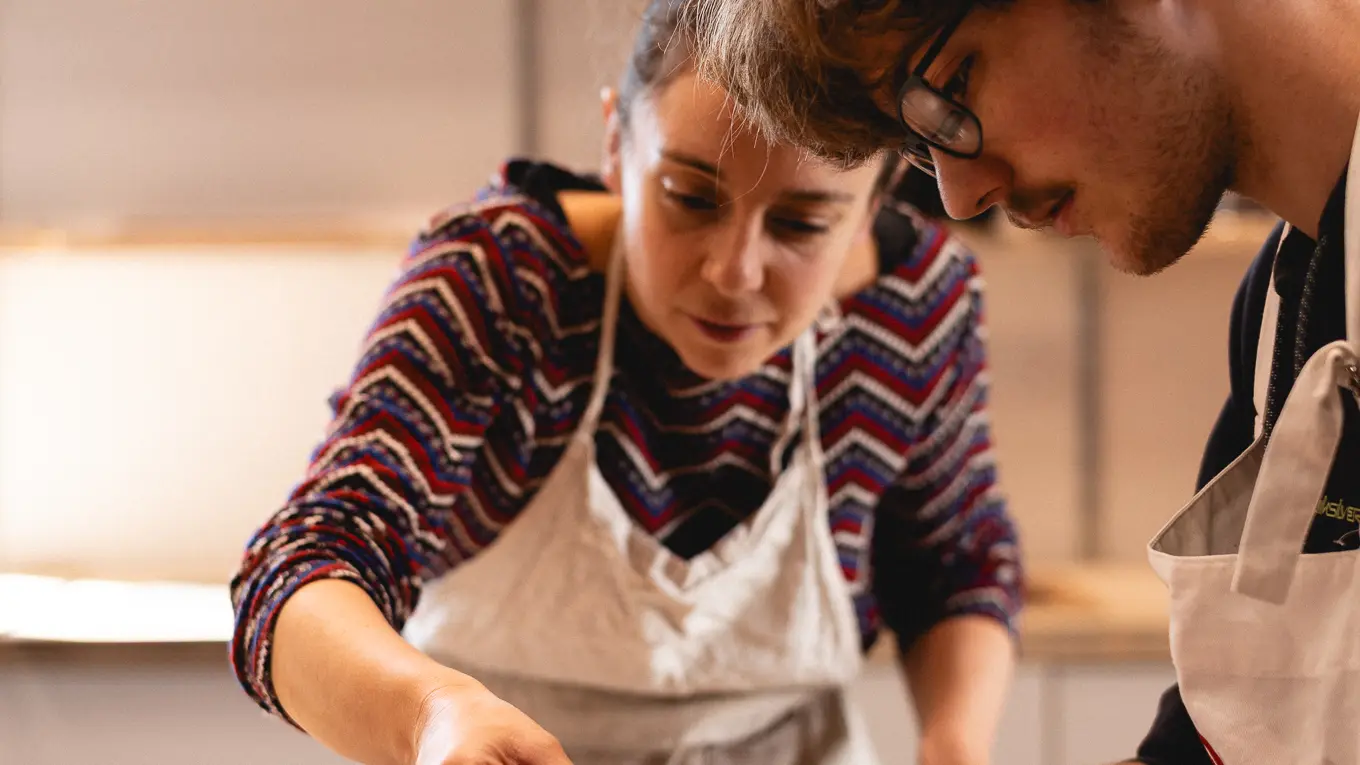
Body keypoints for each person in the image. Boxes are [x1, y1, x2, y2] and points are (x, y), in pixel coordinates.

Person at [227, 1, 1024, 763]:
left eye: (802, 223)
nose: (733, 271)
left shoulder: (909, 308)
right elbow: (302, 566)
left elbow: (955, 566)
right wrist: (430, 717)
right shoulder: (502, 284)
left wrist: (954, 749)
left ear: (874, 201)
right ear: (616, 144)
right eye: (689, 197)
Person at [680, 0, 1360, 763]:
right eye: (919, 142)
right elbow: (1220, 735)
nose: (959, 196)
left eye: (952, 88)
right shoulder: (1282, 317)